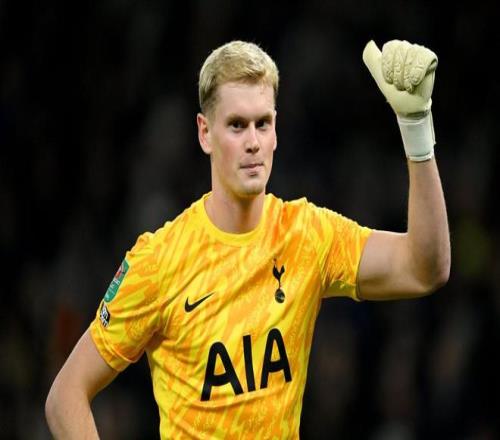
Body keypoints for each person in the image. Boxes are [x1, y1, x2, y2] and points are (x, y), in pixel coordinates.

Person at [45, 39, 450, 439]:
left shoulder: (307, 235)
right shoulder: (160, 260)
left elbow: (424, 269)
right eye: (237, 125)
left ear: (276, 131)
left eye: (263, 123)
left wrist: (415, 128)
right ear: (205, 133)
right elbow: (65, 397)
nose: (253, 142)